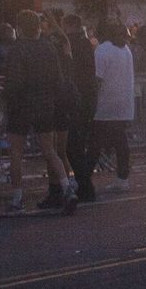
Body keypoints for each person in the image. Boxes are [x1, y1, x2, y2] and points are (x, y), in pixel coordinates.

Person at [3, 11, 75, 214]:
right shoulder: (48, 48)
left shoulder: (17, 50)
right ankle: (67, 188)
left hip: (21, 106)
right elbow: (58, 79)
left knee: (16, 152)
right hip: (45, 104)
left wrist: (7, 100)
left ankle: (17, 198)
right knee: (50, 150)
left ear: (19, 27)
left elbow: (14, 82)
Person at [91, 22, 136, 194]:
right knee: (120, 143)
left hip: (105, 104)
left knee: (95, 144)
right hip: (123, 104)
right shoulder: (126, 50)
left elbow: (97, 79)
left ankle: (84, 178)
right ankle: (122, 177)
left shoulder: (102, 50)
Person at [60, 14, 99, 203]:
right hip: (87, 99)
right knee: (77, 145)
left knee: (72, 146)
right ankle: (83, 184)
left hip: (77, 100)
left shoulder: (73, 45)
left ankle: (85, 186)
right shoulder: (86, 45)